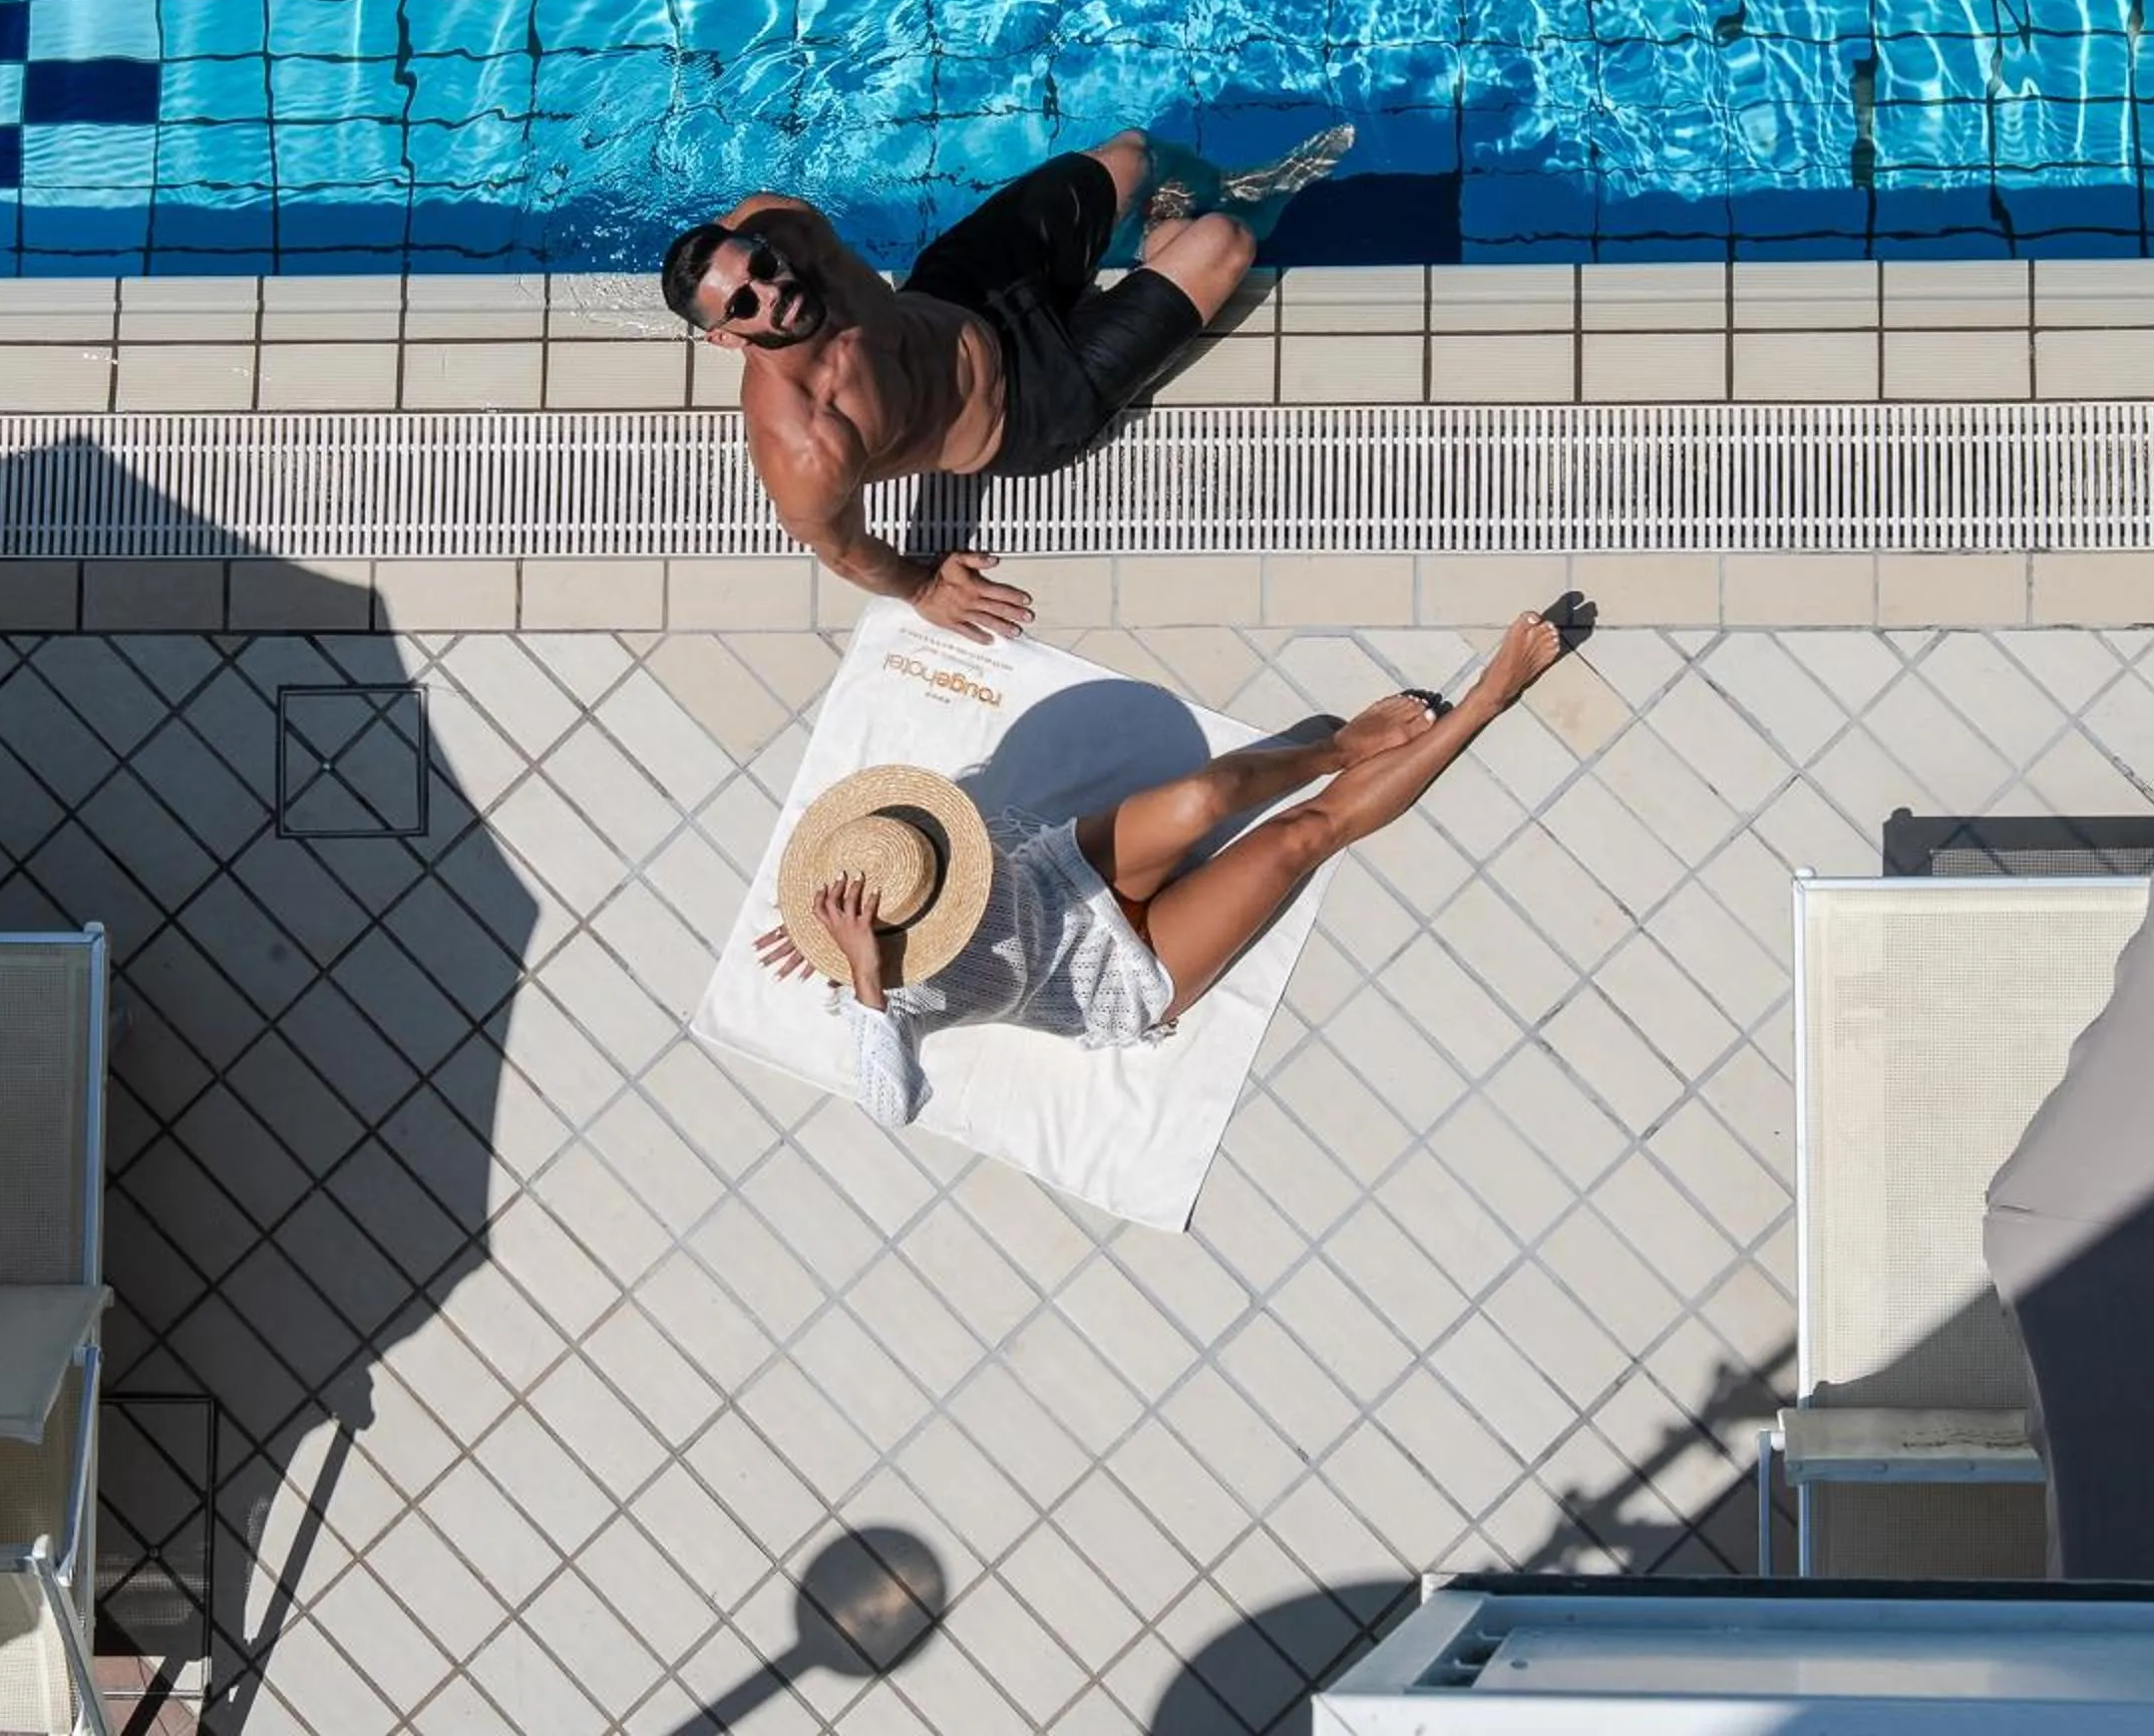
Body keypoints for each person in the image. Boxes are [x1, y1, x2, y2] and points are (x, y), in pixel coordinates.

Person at [754, 611, 1569, 1126]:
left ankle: (1338, 746)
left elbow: (889, 850)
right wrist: (862, 974)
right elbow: (888, 1106)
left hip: (1065, 877)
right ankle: (1484, 704)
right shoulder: (897, 1002)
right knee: (1298, 839)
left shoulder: (908, 843)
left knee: (1207, 795)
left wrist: (821, 917)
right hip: (1125, 978)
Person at [659, 126, 1353, 643]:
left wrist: (726, 260)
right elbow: (842, 550)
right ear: (723, 337)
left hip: (963, 288)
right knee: (1228, 239)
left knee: (1136, 154)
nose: (771, 293)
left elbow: (739, 235)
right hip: (1028, 405)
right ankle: (1181, 233)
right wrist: (924, 585)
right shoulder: (805, 442)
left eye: (760, 268)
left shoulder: (784, 230)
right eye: (743, 306)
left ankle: (1181, 211)